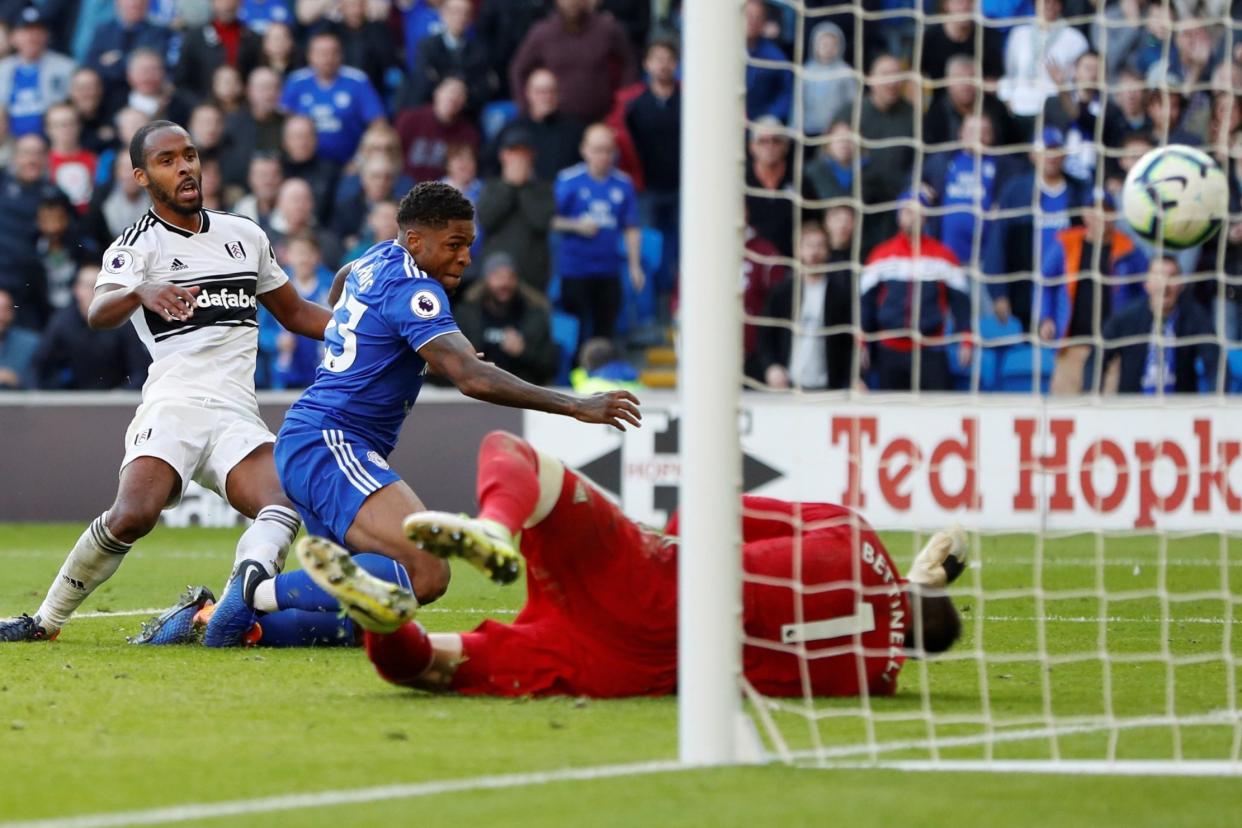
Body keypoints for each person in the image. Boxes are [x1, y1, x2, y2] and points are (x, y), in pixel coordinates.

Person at [196, 181, 641, 648]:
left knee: (376, 611)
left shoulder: (371, 260)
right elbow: (471, 377)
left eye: (469, 244)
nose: (466, 257)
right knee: (426, 572)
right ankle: (254, 592)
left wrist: (375, 337)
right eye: (454, 244)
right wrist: (575, 404)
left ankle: (228, 626)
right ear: (415, 241)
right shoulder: (414, 289)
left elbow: (341, 285)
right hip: (330, 442)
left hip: (312, 442)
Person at [293, 431, 966, 698]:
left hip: (651, 585)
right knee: (438, 666)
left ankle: (494, 529)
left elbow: (696, 523)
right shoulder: (878, 674)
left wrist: (924, 572)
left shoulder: (854, 536)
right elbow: (889, 614)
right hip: (639, 670)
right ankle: (382, 620)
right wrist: (921, 586)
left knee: (513, 452)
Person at [0, 120, 334, 643]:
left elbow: (295, 313)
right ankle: (45, 621)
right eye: (167, 160)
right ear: (141, 176)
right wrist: (142, 291)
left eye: (190, 155)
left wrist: (375, 334)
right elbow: (98, 310)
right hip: (174, 406)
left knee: (283, 501)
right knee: (133, 515)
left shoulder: (245, 235)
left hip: (236, 415)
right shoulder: (137, 246)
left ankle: (226, 613)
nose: (184, 167)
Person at [861, 188, 972, 391]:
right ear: (898, 215)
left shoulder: (944, 256)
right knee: (892, 415)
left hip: (931, 351)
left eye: (919, 211)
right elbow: (865, 305)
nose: (913, 216)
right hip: (890, 351)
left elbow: (961, 304)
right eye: (907, 211)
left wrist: (966, 340)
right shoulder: (880, 255)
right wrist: (862, 343)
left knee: (938, 415)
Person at [1038, 191, 1147, 395]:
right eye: (1094, 210)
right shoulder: (1066, 244)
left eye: (1106, 210)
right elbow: (1045, 281)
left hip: (1112, 349)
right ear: (1085, 214)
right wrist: (1047, 317)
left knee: (1108, 412)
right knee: (1065, 409)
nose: (1100, 216)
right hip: (1071, 345)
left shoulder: (1129, 249)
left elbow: (1146, 290)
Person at [552, 123, 643, 350]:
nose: (603, 156)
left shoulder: (623, 184)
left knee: (606, 330)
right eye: (597, 149)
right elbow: (549, 219)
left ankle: (603, 376)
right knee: (578, 330)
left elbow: (631, 227)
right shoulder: (568, 180)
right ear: (585, 150)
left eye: (608, 150)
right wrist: (576, 225)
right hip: (575, 269)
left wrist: (634, 265)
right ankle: (574, 378)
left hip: (608, 269)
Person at [1101, 258, 1219, 395]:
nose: (1164, 285)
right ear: (1146, 283)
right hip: (1133, 408)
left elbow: (1216, 363)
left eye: (1171, 277)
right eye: (1158, 276)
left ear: (1181, 285)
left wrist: (1215, 403)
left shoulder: (1196, 317)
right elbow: (1097, 358)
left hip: (1180, 408)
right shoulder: (1126, 318)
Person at [508, 0, 636, 126]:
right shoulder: (542, 32)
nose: (571, 2)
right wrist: (526, 107)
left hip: (600, 121)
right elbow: (518, 69)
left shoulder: (607, 28)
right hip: (556, 125)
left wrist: (623, 104)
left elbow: (628, 62)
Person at [33, 263, 149, 389]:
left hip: (117, 399)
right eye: (89, 286)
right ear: (77, 289)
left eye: (100, 286)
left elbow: (139, 370)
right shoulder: (62, 322)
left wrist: (120, 394)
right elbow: (41, 367)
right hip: (73, 401)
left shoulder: (124, 321)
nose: (94, 292)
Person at [279, 30, 386, 166]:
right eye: (321, 53)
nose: (327, 58)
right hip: (304, 164)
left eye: (333, 52)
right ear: (310, 56)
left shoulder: (357, 81)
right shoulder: (296, 81)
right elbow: (281, 123)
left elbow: (378, 124)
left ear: (341, 55)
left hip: (349, 165)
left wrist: (360, 160)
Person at [455, 251, 557, 386]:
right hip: (473, 391)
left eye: (510, 277)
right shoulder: (466, 314)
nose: (504, 283)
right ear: (485, 279)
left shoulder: (534, 315)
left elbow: (550, 367)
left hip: (522, 391)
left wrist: (523, 352)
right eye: (498, 276)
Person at [476, 127, 555, 291]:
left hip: (533, 276)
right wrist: (509, 186)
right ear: (503, 155)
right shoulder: (491, 187)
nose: (519, 159)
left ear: (532, 156)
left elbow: (541, 222)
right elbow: (486, 219)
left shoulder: (543, 190)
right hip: (495, 277)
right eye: (514, 152)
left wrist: (523, 187)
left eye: (523, 153)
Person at [489, 68, 584, 183]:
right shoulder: (512, 129)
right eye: (540, 92)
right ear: (528, 93)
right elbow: (490, 165)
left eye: (551, 91)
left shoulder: (574, 131)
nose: (546, 97)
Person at [0, 5, 75, 137]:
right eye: (25, 31)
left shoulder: (67, 67)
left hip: (52, 142)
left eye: (37, 31)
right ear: (13, 37)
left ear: (47, 35)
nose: (32, 37)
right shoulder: (3, 69)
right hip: (10, 144)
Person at [393, 75, 480, 184]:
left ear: (464, 102)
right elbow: (393, 153)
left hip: (442, 190)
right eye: (450, 91)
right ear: (437, 93)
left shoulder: (467, 133)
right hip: (404, 184)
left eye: (460, 94)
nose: (453, 97)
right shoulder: (410, 120)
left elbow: (465, 170)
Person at [175, 0, 262, 100]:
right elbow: (182, 82)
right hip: (204, 106)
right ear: (212, 3)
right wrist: (200, 108)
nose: (227, 5)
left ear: (240, 3)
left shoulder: (252, 39)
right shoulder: (194, 38)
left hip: (242, 107)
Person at [0, 287, 39, 390]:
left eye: (5, 310)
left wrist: (16, 380)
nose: (1, 316)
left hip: (21, 403)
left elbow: (42, 383)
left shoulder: (30, 344)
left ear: (12, 313)